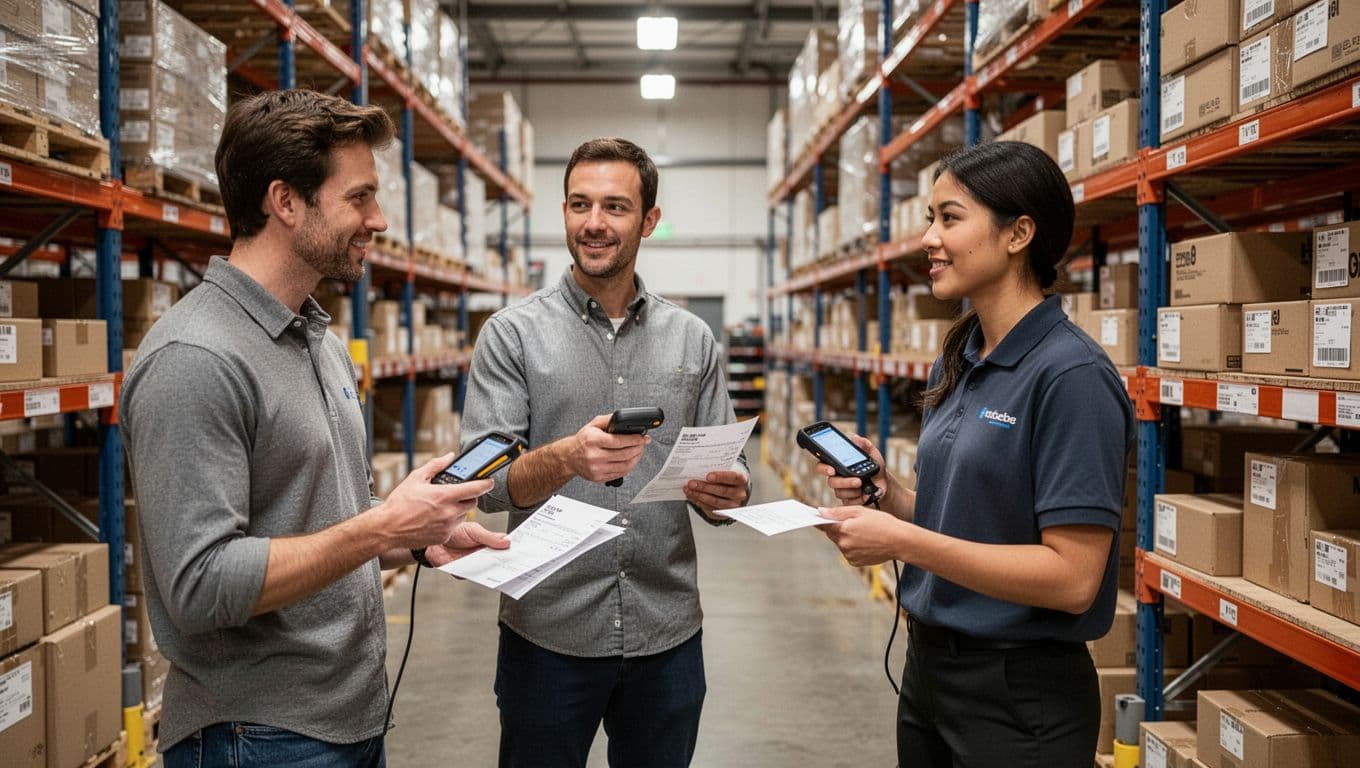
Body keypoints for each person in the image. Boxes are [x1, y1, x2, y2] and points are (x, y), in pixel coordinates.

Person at [120, 89, 508, 768]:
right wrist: (382, 527)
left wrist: (413, 538)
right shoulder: (196, 359)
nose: (379, 220)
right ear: (286, 201)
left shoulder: (318, 343)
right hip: (255, 737)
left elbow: (317, 525)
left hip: (349, 719)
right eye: (358, 198)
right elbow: (202, 585)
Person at [816, 140, 1134, 767]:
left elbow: (1073, 580)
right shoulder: (961, 358)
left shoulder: (1071, 377)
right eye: (930, 218)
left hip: (1019, 694)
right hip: (931, 673)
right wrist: (894, 499)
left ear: (1018, 233)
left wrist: (900, 543)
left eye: (949, 218)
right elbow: (966, 516)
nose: (928, 238)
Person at [460, 137, 751, 768]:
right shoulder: (511, 336)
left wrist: (730, 494)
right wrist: (565, 457)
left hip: (667, 633)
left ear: (649, 220)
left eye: (615, 207)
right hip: (549, 634)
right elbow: (485, 488)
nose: (594, 223)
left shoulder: (693, 339)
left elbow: (727, 470)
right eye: (579, 204)